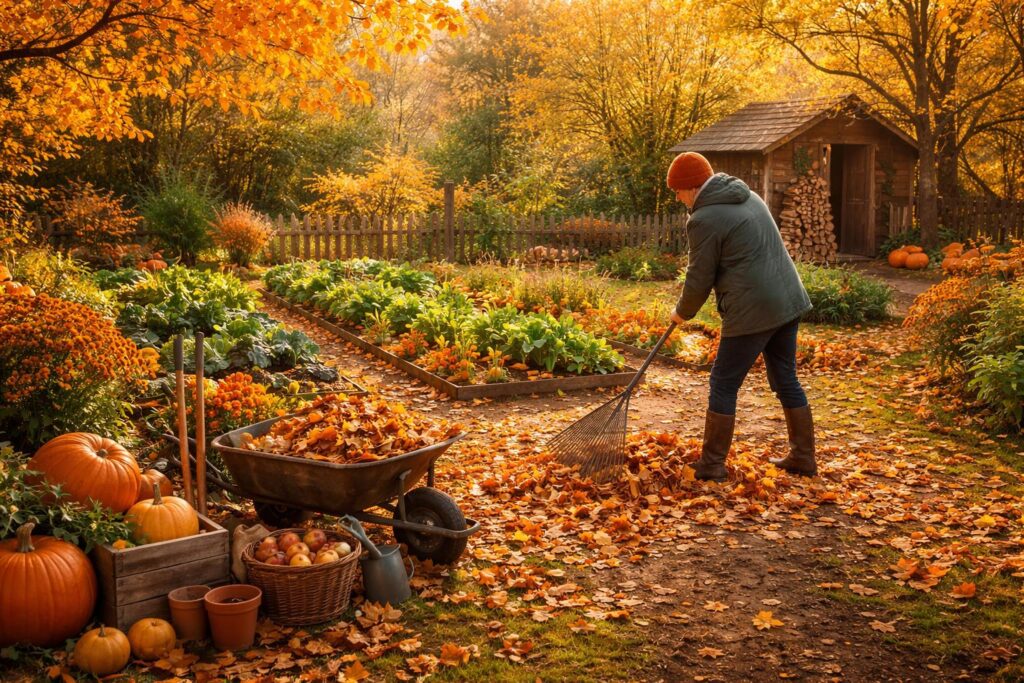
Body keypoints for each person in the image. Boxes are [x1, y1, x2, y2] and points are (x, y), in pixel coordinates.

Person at [666, 151, 816, 481]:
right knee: (785, 378)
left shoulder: (704, 220)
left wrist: (681, 313)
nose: (677, 198)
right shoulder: (749, 196)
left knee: (723, 382)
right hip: (787, 301)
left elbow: (698, 277)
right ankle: (803, 457)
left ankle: (712, 465)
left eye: (677, 191)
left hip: (753, 309)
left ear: (692, 187)